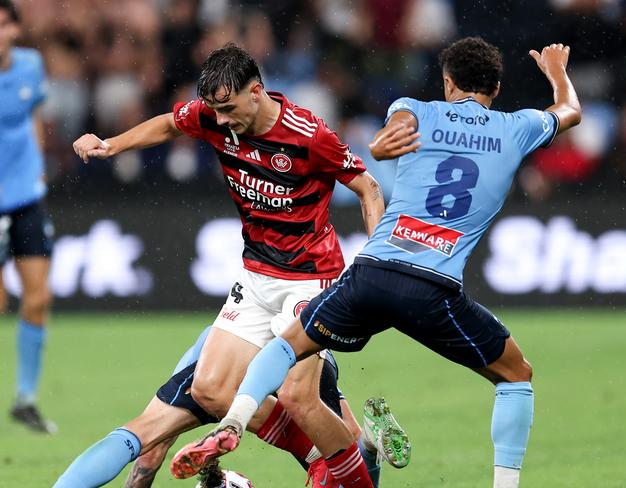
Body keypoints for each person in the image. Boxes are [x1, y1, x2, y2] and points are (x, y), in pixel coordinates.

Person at [183, 38, 582, 488]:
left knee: (285, 346)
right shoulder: (517, 126)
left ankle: (235, 421)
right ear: (498, 87)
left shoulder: (415, 109)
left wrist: (384, 141)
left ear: (447, 82)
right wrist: (556, 72)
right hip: (432, 289)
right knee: (516, 376)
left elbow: (391, 131)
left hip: (370, 272)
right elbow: (569, 111)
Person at [72, 43, 389, 487]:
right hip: (255, 275)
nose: (219, 120)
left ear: (256, 91)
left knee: (299, 396)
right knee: (210, 389)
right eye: (214, 110)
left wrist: (375, 259)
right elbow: (168, 124)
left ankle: (346, 467)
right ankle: (338, 455)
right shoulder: (210, 114)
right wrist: (111, 145)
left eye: (228, 108)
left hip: (308, 279)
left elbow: (369, 188)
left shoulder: (308, 134)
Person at [53, 325, 388, 488]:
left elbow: (151, 457)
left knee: (146, 436)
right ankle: (368, 448)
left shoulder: (226, 322)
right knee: (343, 456)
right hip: (303, 353)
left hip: (219, 361)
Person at [0, 0, 56, 434]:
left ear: (15, 28)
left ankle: (25, 399)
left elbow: (33, 114)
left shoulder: (30, 66)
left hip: (26, 198)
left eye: (3, 25)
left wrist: (37, 162)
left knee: (37, 297)